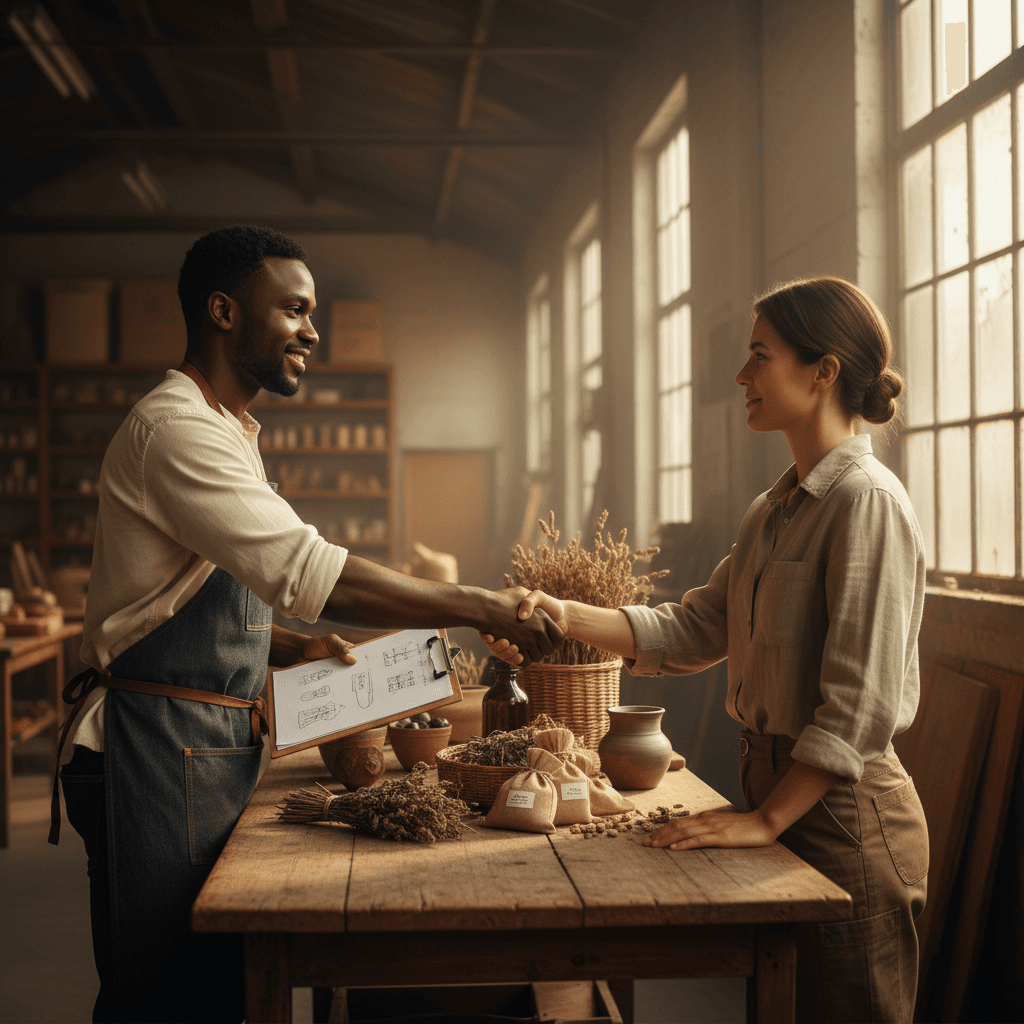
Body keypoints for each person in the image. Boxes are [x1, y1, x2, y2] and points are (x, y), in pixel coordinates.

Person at [53, 224, 562, 1024]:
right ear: (223, 311)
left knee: (213, 981)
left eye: (313, 312)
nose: (312, 330)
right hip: (149, 743)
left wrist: (293, 646)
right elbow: (302, 569)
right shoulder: (178, 429)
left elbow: (184, 601)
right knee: (165, 995)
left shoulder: (228, 432)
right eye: (293, 309)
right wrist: (480, 605)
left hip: (198, 737)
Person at [483, 276, 928, 1024]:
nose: (740, 377)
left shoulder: (867, 504)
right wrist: (566, 616)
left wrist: (766, 820)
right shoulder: (772, 511)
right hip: (783, 793)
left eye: (760, 356)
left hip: (845, 815)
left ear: (822, 373)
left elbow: (860, 705)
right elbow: (693, 629)